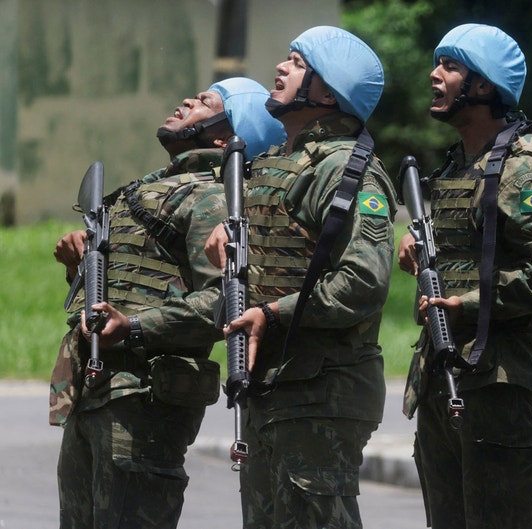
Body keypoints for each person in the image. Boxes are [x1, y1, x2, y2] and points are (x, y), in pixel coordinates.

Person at [50, 77, 286, 529]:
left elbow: (224, 300)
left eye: (204, 102)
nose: (186, 102)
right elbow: (124, 286)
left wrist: (135, 326)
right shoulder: (146, 191)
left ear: (224, 135)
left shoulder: (211, 197)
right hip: (96, 392)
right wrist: (78, 263)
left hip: (145, 400)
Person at [203, 26, 394, 528]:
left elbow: (364, 281)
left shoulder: (345, 171)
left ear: (329, 92)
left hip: (321, 391)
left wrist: (271, 313)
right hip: (272, 386)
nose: (281, 67)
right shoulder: (273, 164)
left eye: (297, 61)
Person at [397, 23, 532, 529]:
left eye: (450, 66)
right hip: (443, 372)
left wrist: (465, 304)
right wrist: (422, 251)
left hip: (496, 381)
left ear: (484, 86)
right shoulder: (458, 165)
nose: (434, 74)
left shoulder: (524, 165)